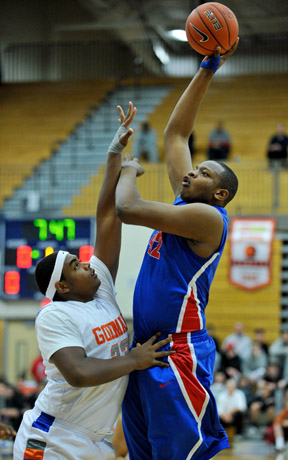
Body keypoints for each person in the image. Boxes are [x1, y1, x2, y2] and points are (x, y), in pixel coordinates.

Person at [13, 102, 174, 460]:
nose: (87, 264)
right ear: (63, 287)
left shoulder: (99, 287)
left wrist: (115, 154)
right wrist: (135, 359)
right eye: (75, 265)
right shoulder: (54, 316)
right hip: (54, 435)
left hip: (96, 438)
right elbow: (79, 372)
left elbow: (105, 217)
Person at [115, 41, 239, 460]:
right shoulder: (187, 205)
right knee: (143, 453)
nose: (190, 171)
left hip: (178, 351)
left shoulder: (209, 219)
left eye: (202, 172)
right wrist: (206, 69)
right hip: (147, 348)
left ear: (219, 193)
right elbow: (175, 134)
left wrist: (128, 168)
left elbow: (127, 208)